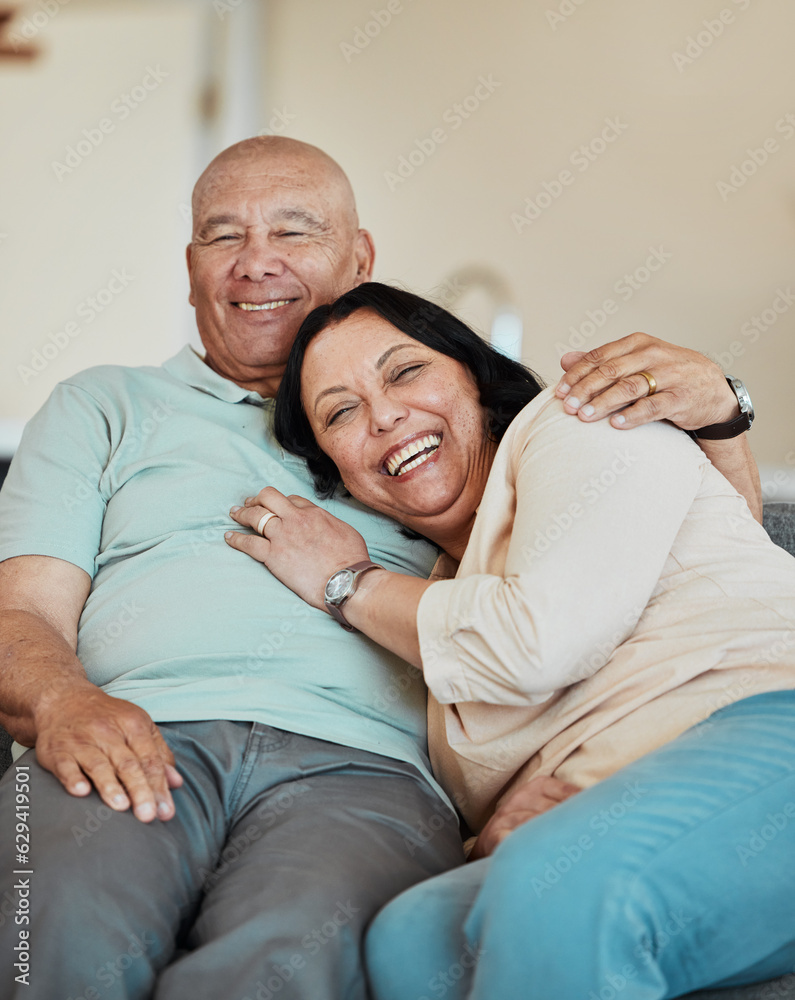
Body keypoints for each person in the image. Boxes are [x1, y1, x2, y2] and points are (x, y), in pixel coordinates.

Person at [0, 136, 763, 998]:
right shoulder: (103, 406)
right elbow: (21, 612)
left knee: (290, 965)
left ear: (359, 260)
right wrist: (65, 703)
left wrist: (722, 413)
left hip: (368, 771)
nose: (257, 263)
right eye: (224, 237)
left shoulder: (445, 441)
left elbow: (689, 577)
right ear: (190, 269)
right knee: (45, 942)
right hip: (133, 725)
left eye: (294, 231)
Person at [225, 281, 795, 1000]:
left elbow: (538, 645)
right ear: (340, 475)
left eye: (405, 371)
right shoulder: (441, 597)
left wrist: (347, 583)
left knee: (546, 886)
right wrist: (497, 836)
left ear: (475, 378)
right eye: (340, 412)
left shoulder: (579, 423)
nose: (385, 414)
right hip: (638, 821)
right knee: (412, 940)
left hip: (769, 731)